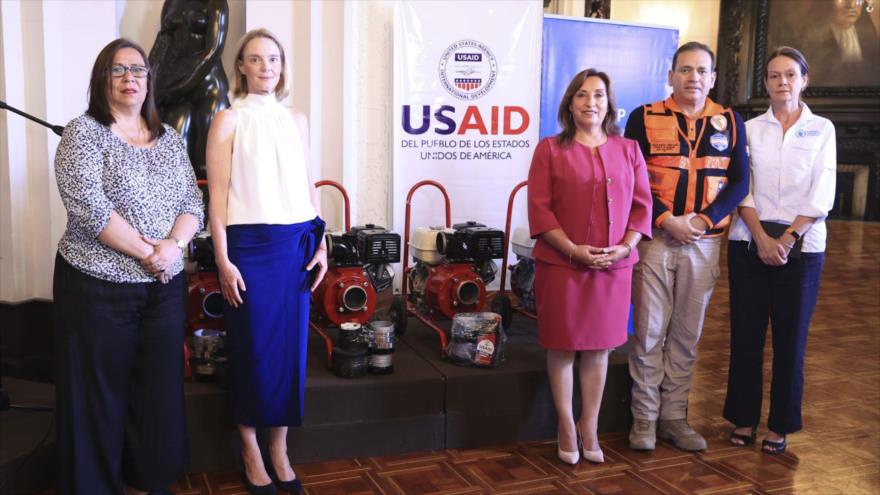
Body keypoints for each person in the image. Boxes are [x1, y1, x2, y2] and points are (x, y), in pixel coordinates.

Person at [53, 38, 204, 494]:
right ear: (102, 80)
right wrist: (151, 255)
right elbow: (90, 209)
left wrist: (174, 248)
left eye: (137, 70)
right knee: (97, 397)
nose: (129, 78)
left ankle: (149, 478)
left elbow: (191, 201)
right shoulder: (84, 132)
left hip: (163, 291)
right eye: (118, 70)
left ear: (149, 81)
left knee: (156, 392)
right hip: (97, 287)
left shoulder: (170, 137)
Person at [206, 29, 326, 495]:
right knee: (253, 350)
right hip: (249, 247)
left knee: (291, 352)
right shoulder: (228, 120)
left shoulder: (297, 120)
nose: (266, 67)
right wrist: (222, 260)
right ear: (241, 66)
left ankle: (280, 448)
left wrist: (322, 243)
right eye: (255, 59)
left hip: (297, 243)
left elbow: (309, 187)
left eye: (273, 58)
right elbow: (217, 200)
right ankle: (250, 448)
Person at [623, 41, 749, 452]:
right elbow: (633, 180)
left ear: (712, 79)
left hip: (704, 242)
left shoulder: (730, 121)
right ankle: (644, 418)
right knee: (648, 331)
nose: (693, 77)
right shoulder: (643, 118)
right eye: (685, 69)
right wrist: (666, 219)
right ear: (671, 75)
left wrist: (701, 220)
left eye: (701, 71)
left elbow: (741, 183)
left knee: (686, 334)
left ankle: (674, 417)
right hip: (656, 240)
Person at [528, 69, 652, 465]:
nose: (591, 102)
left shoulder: (629, 149)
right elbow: (540, 209)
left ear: (609, 103)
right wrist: (573, 250)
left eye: (599, 95)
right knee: (563, 347)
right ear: (569, 103)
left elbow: (642, 207)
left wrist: (625, 247)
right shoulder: (549, 149)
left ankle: (590, 425)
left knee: (600, 349)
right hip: (563, 266)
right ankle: (565, 425)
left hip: (615, 267)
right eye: (582, 95)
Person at [724, 46, 836, 455]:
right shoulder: (748, 129)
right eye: (773, 76)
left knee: (791, 340)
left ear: (804, 79)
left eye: (790, 74)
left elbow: (822, 193)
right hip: (748, 240)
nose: (781, 82)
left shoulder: (822, 129)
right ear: (766, 83)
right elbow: (739, 187)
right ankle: (743, 418)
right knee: (746, 335)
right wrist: (761, 238)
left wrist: (787, 239)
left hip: (802, 247)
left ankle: (780, 425)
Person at [148, 0, 230, 179]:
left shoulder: (216, 3)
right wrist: (149, 82)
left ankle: (208, 207)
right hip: (175, 89)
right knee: (170, 158)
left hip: (208, 88)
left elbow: (212, 51)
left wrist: (179, 87)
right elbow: (163, 43)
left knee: (207, 165)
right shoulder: (172, 3)